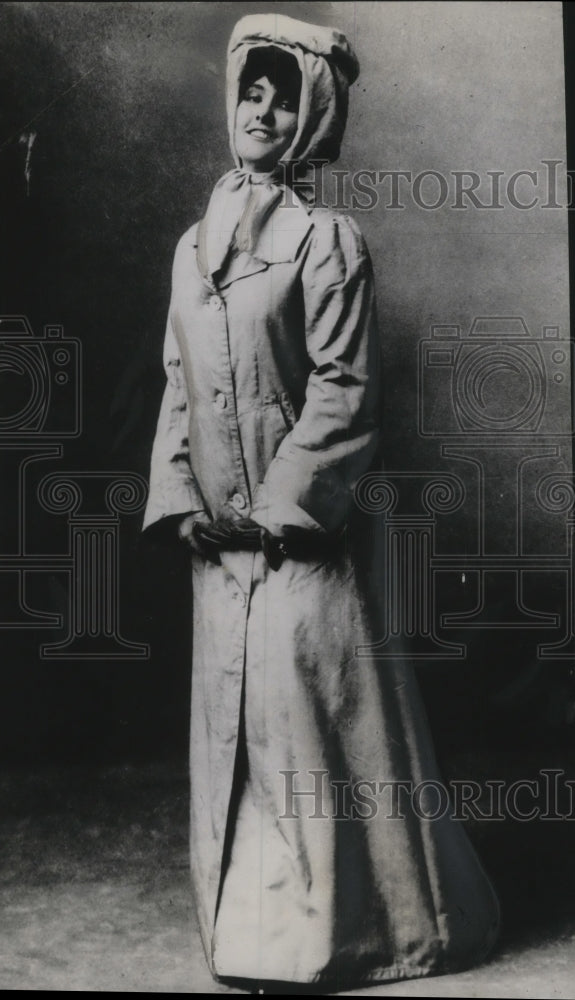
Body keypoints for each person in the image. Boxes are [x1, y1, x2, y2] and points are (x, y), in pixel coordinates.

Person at [143, 12, 500, 991]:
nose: (259, 111)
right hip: (217, 548)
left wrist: (276, 511)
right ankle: (245, 921)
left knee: (308, 726)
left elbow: (344, 393)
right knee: (232, 729)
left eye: (281, 96)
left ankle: (357, 928)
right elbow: (180, 382)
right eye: (249, 90)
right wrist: (183, 498)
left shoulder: (326, 243)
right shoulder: (192, 246)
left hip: (303, 543)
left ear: (310, 116)